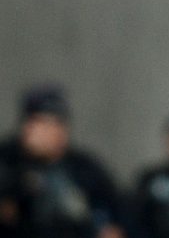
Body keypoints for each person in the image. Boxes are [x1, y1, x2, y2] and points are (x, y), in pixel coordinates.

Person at [0, 85, 125, 238]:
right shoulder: (9, 160)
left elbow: (115, 206)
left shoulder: (83, 166)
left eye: (56, 124)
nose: (50, 132)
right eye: (41, 124)